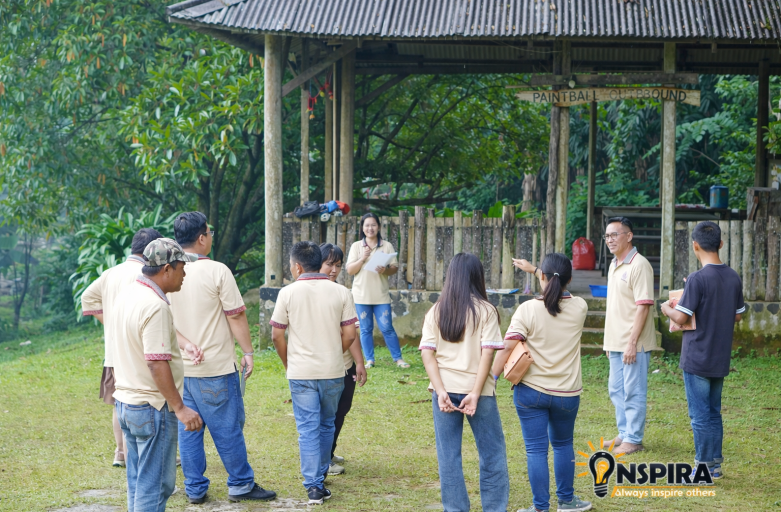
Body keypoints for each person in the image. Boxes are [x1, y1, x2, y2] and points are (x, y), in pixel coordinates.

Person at [169, 212, 276, 504]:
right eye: (210, 233)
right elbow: (236, 315)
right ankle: (241, 483)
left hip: (180, 369)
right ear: (202, 237)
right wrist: (249, 352)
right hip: (214, 367)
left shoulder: (166, 271)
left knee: (188, 430)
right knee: (227, 428)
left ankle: (194, 488)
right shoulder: (217, 270)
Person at [493, 254, 592, 512]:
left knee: (536, 450)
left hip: (531, 392)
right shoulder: (580, 306)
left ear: (544, 278)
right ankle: (567, 501)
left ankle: (540, 508)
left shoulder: (528, 309)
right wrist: (536, 270)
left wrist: (490, 378)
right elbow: (555, 283)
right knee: (563, 444)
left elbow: (506, 349)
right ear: (570, 279)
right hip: (568, 394)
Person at [112, 238, 203, 512]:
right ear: (166, 269)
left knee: (139, 482)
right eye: (181, 268)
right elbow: (157, 363)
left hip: (126, 403)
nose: (185, 274)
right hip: (152, 407)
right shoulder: (155, 306)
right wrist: (180, 408)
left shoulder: (127, 295)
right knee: (156, 487)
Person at [420, 253, 509, 512]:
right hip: (479, 394)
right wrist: (476, 392)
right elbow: (488, 353)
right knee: (492, 454)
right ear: (477, 276)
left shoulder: (436, 310)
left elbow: (427, 353)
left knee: (448, 457)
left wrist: (440, 391)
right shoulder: (486, 310)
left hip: (444, 393)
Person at [270, 241, 358, 505]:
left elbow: (277, 335)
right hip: (333, 370)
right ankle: (319, 479)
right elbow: (350, 334)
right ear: (319, 262)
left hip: (301, 373)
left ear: (297, 267)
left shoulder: (287, 293)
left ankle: (314, 487)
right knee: (326, 424)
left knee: (307, 428)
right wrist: (333, 351)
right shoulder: (341, 292)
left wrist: (289, 362)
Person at [660, 221, 744, 480]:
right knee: (713, 412)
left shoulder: (697, 278)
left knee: (699, 416)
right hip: (719, 357)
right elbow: (738, 317)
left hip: (697, 357)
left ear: (695, 245)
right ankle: (715, 465)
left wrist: (666, 307)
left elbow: (682, 318)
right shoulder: (732, 277)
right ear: (720, 243)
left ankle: (703, 467)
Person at [81, 228, 163, 467]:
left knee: (120, 401)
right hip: (139, 349)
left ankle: (121, 452)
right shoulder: (149, 273)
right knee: (146, 401)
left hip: (114, 351)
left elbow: (87, 298)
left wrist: (111, 324)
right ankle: (143, 453)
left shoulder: (110, 273)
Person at [602, 216, 658, 455]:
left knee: (632, 390)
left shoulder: (639, 264)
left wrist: (632, 343)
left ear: (629, 236)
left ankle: (633, 439)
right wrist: (608, 341)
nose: (610, 240)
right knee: (616, 389)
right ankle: (624, 432)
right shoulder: (615, 264)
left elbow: (643, 306)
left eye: (615, 234)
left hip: (632, 343)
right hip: (615, 341)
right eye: (607, 236)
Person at [318, 243, 367, 476]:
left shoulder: (342, 292)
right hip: (324, 366)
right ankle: (323, 458)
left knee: (341, 410)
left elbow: (352, 332)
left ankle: (328, 451)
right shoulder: (311, 292)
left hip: (345, 363)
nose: (334, 269)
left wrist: (359, 363)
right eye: (329, 264)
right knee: (328, 414)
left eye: (338, 265)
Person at [346, 212, 409, 369]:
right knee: (365, 329)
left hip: (380, 295)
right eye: (367, 225)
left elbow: (394, 268)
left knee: (387, 327)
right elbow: (349, 270)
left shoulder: (386, 246)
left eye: (373, 225)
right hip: (361, 295)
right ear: (362, 228)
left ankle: (398, 359)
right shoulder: (356, 246)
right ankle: (370, 360)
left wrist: (385, 270)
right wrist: (362, 258)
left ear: (379, 226)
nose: (370, 228)